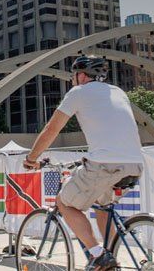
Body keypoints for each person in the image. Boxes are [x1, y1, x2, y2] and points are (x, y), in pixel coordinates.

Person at [23, 55, 144, 271]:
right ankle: (111, 259)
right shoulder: (118, 92)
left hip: (104, 165)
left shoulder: (78, 93)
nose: (72, 79)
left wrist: (31, 159)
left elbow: (51, 129)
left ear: (81, 75)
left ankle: (98, 255)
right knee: (102, 206)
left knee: (64, 203)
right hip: (135, 164)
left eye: (74, 75)